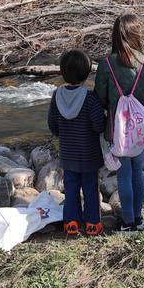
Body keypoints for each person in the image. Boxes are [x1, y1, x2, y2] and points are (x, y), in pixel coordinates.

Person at [93, 13, 144, 233]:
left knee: (124, 173)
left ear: (115, 35)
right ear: (137, 34)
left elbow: (100, 98)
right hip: (140, 128)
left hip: (117, 128)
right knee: (136, 172)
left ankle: (128, 221)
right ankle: (139, 218)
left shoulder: (106, 64)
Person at [47, 50, 106, 237]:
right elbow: (99, 125)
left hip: (68, 153)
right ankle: (92, 224)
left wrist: (62, 134)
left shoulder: (57, 96)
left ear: (63, 72)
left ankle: (71, 223)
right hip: (89, 154)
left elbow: (53, 124)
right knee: (90, 189)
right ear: (87, 72)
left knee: (71, 189)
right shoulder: (90, 98)